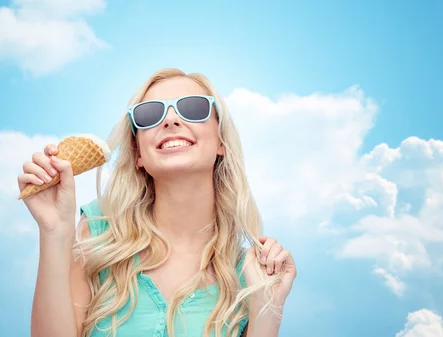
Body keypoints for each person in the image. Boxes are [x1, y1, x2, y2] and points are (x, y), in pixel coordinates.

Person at [18, 68, 297, 337]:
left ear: (220, 140)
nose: (171, 120)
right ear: (138, 152)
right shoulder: (98, 235)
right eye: (149, 114)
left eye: (194, 108)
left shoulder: (248, 274)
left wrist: (267, 306)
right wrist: (54, 231)